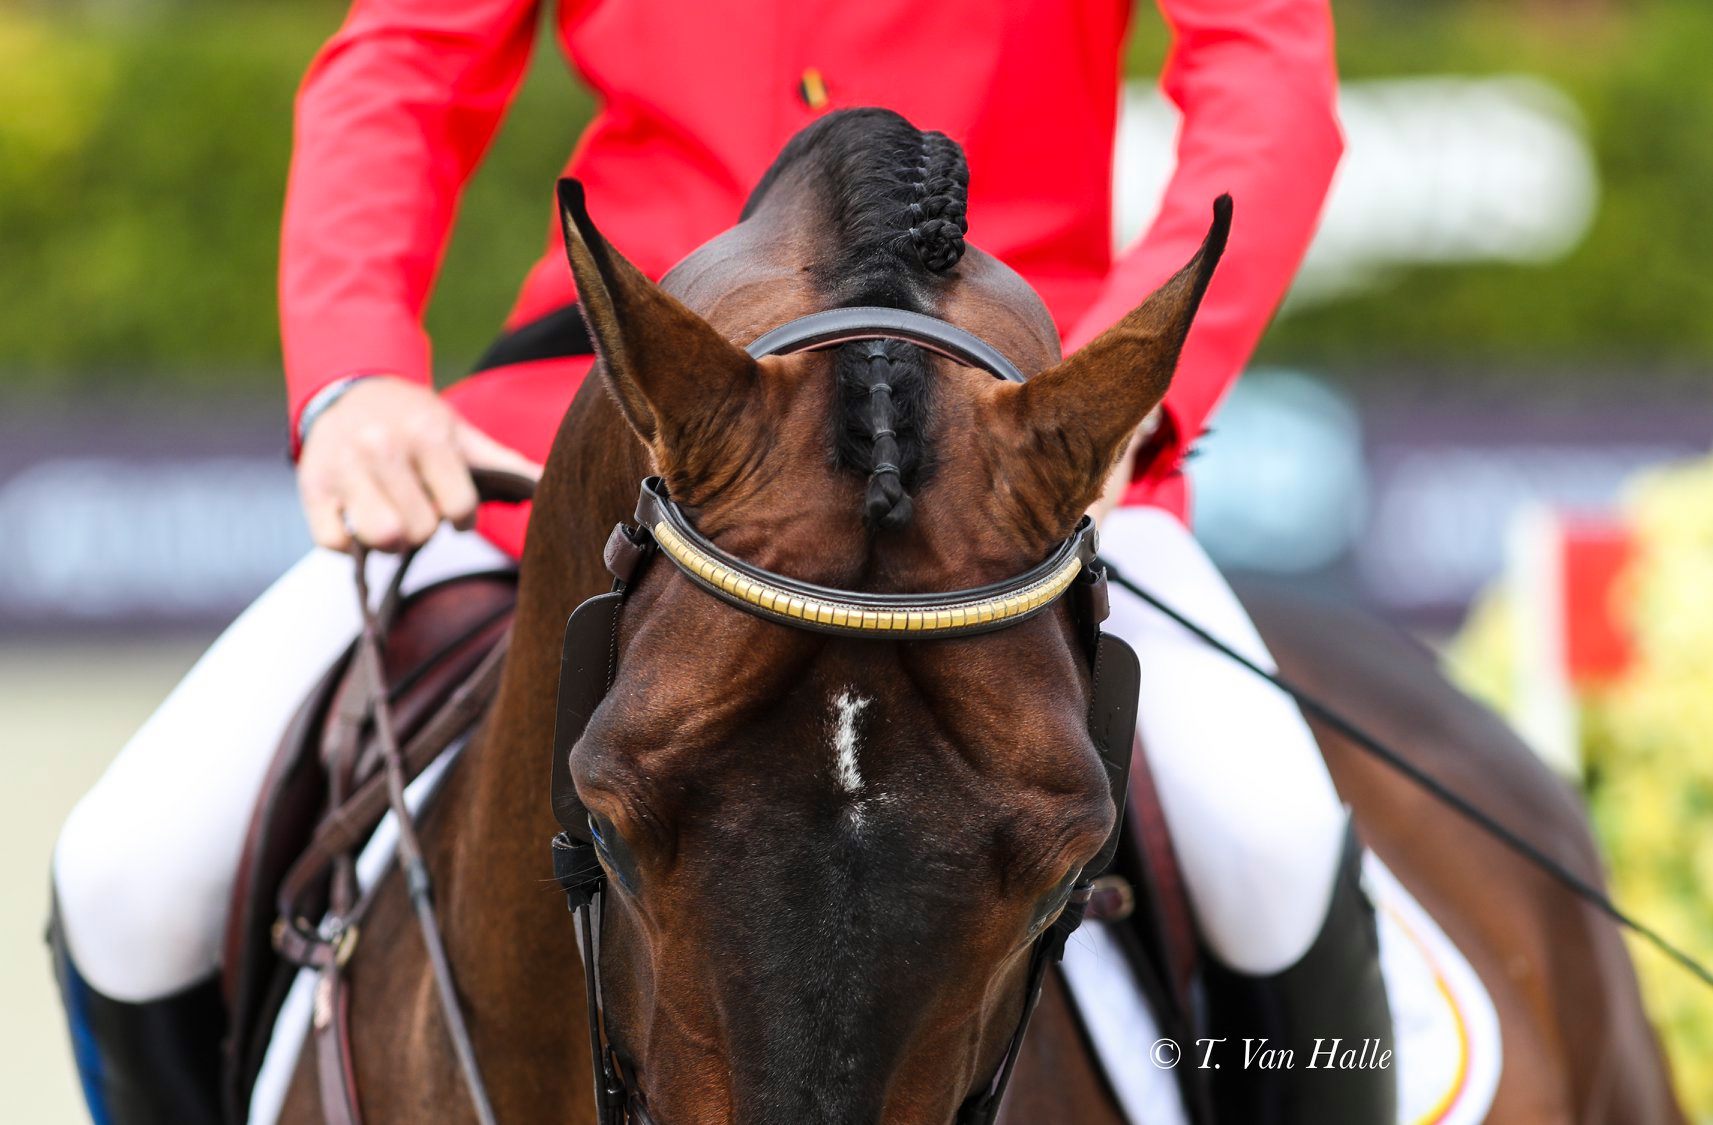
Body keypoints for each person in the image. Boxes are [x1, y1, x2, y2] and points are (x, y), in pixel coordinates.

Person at [50, 0, 1386, 1122]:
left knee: (1267, 845)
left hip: (1003, 455)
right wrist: (352, 371)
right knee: (130, 870)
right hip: (613, 432)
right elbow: (404, 58)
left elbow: (1262, 70)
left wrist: (1132, 382)